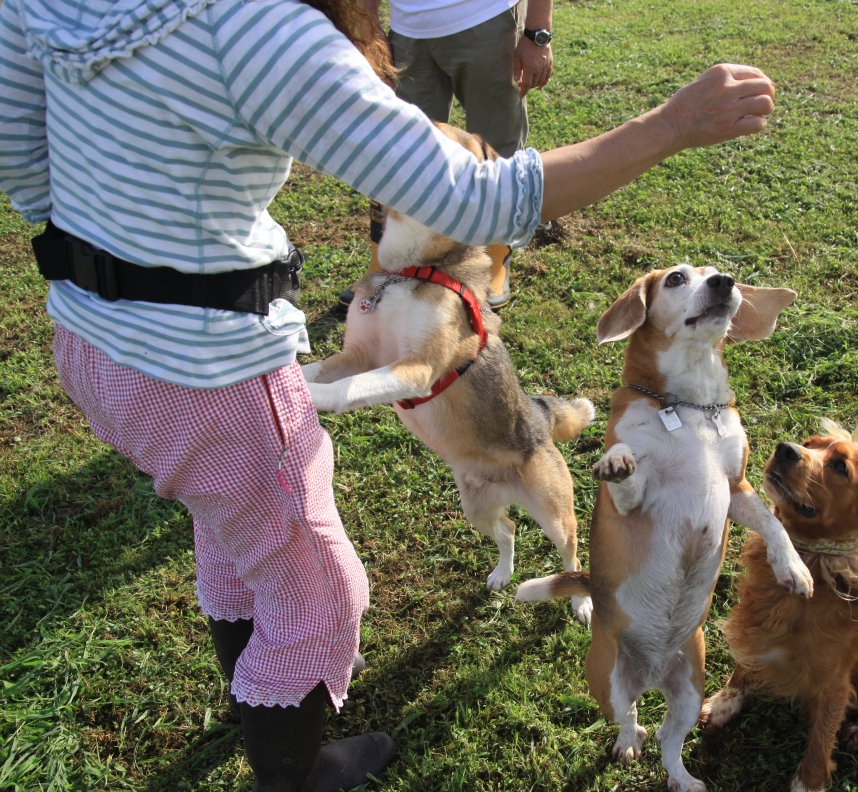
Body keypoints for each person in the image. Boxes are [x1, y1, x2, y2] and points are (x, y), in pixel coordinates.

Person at [0, 0, 776, 789]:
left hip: (91, 342)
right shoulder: (254, 25)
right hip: (206, 368)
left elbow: (21, 160)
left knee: (232, 530)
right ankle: (293, 772)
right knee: (316, 592)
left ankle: (257, 706)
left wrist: (131, 242)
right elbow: (477, 201)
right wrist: (671, 124)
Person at [342, 0, 554, 310]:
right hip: (408, 29)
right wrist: (369, 25)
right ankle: (385, 258)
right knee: (398, 152)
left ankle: (494, 255)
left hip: (487, 19)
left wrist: (538, 34)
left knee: (497, 145)